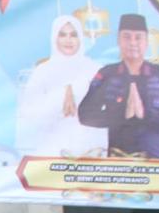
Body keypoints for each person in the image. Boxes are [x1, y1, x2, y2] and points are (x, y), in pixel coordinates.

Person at [78, 13, 159, 158]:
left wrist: (147, 115)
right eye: (126, 37)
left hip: (155, 160)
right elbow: (85, 114)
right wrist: (122, 115)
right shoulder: (107, 74)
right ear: (118, 41)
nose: (133, 43)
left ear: (146, 42)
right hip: (118, 160)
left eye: (138, 37)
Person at [16, 15, 107, 156]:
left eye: (73, 35)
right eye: (62, 35)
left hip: (90, 150)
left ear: (81, 38)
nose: (68, 40)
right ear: (55, 38)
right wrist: (61, 95)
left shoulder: (95, 69)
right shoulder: (43, 71)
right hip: (51, 149)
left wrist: (76, 91)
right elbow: (29, 112)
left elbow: (105, 110)